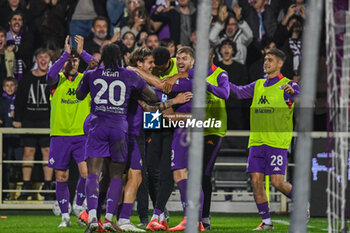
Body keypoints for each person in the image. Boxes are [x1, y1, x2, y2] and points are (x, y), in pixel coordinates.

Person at [76, 43, 159, 233]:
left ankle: (93, 217)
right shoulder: (129, 75)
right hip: (119, 129)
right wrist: (137, 93)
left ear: (103, 57)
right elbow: (153, 96)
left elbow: (80, 96)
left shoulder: (92, 74)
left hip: (97, 126)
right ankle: (109, 220)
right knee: (116, 175)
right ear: (121, 57)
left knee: (93, 174)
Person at [117, 47, 192, 232]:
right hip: (139, 128)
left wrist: (178, 77)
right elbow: (158, 91)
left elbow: (168, 86)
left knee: (155, 173)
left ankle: (155, 214)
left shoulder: (175, 68)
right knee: (139, 174)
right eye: (150, 63)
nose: (154, 66)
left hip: (160, 126)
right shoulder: (132, 74)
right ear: (141, 63)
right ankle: (131, 216)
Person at [229, 48, 300, 230]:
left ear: (280, 64)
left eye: (270, 60)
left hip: (277, 142)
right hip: (257, 142)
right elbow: (237, 92)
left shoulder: (288, 84)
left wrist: (294, 94)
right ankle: (267, 221)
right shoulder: (258, 84)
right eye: (265, 60)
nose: (265, 63)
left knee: (277, 182)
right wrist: (221, 82)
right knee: (256, 181)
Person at [46, 35, 95, 228]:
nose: (72, 63)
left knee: (86, 174)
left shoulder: (86, 79)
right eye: (69, 60)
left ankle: (78, 204)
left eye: (75, 61)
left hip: (82, 136)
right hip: (60, 135)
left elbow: (97, 65)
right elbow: (48, 76)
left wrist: (82, 52)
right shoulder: (56, 81)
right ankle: (64, 216)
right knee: (61, 177)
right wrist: (64, 56)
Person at [13, 48, 53, 201]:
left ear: (49, 60)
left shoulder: (52, 77)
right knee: (28, 151)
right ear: (36, 60)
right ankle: (26, 186)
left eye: (46, 57)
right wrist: (18, 118)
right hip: (29, 120)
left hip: (46, 120)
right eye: (40, 57)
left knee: (47, 151)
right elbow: (20, 100)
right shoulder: (27, 78)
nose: (43, 60)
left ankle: (48, 186)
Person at [0, 77, 22, 200]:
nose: (9, 88)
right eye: (7, 85)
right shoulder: (2, 101)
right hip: (5, 139)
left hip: (19, 138)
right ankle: (5, 192)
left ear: (15, 87)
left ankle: (21, 192)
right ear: (3, 88)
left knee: (20, 165)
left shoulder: (19, 100)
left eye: (11, 85)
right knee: (5, 166)